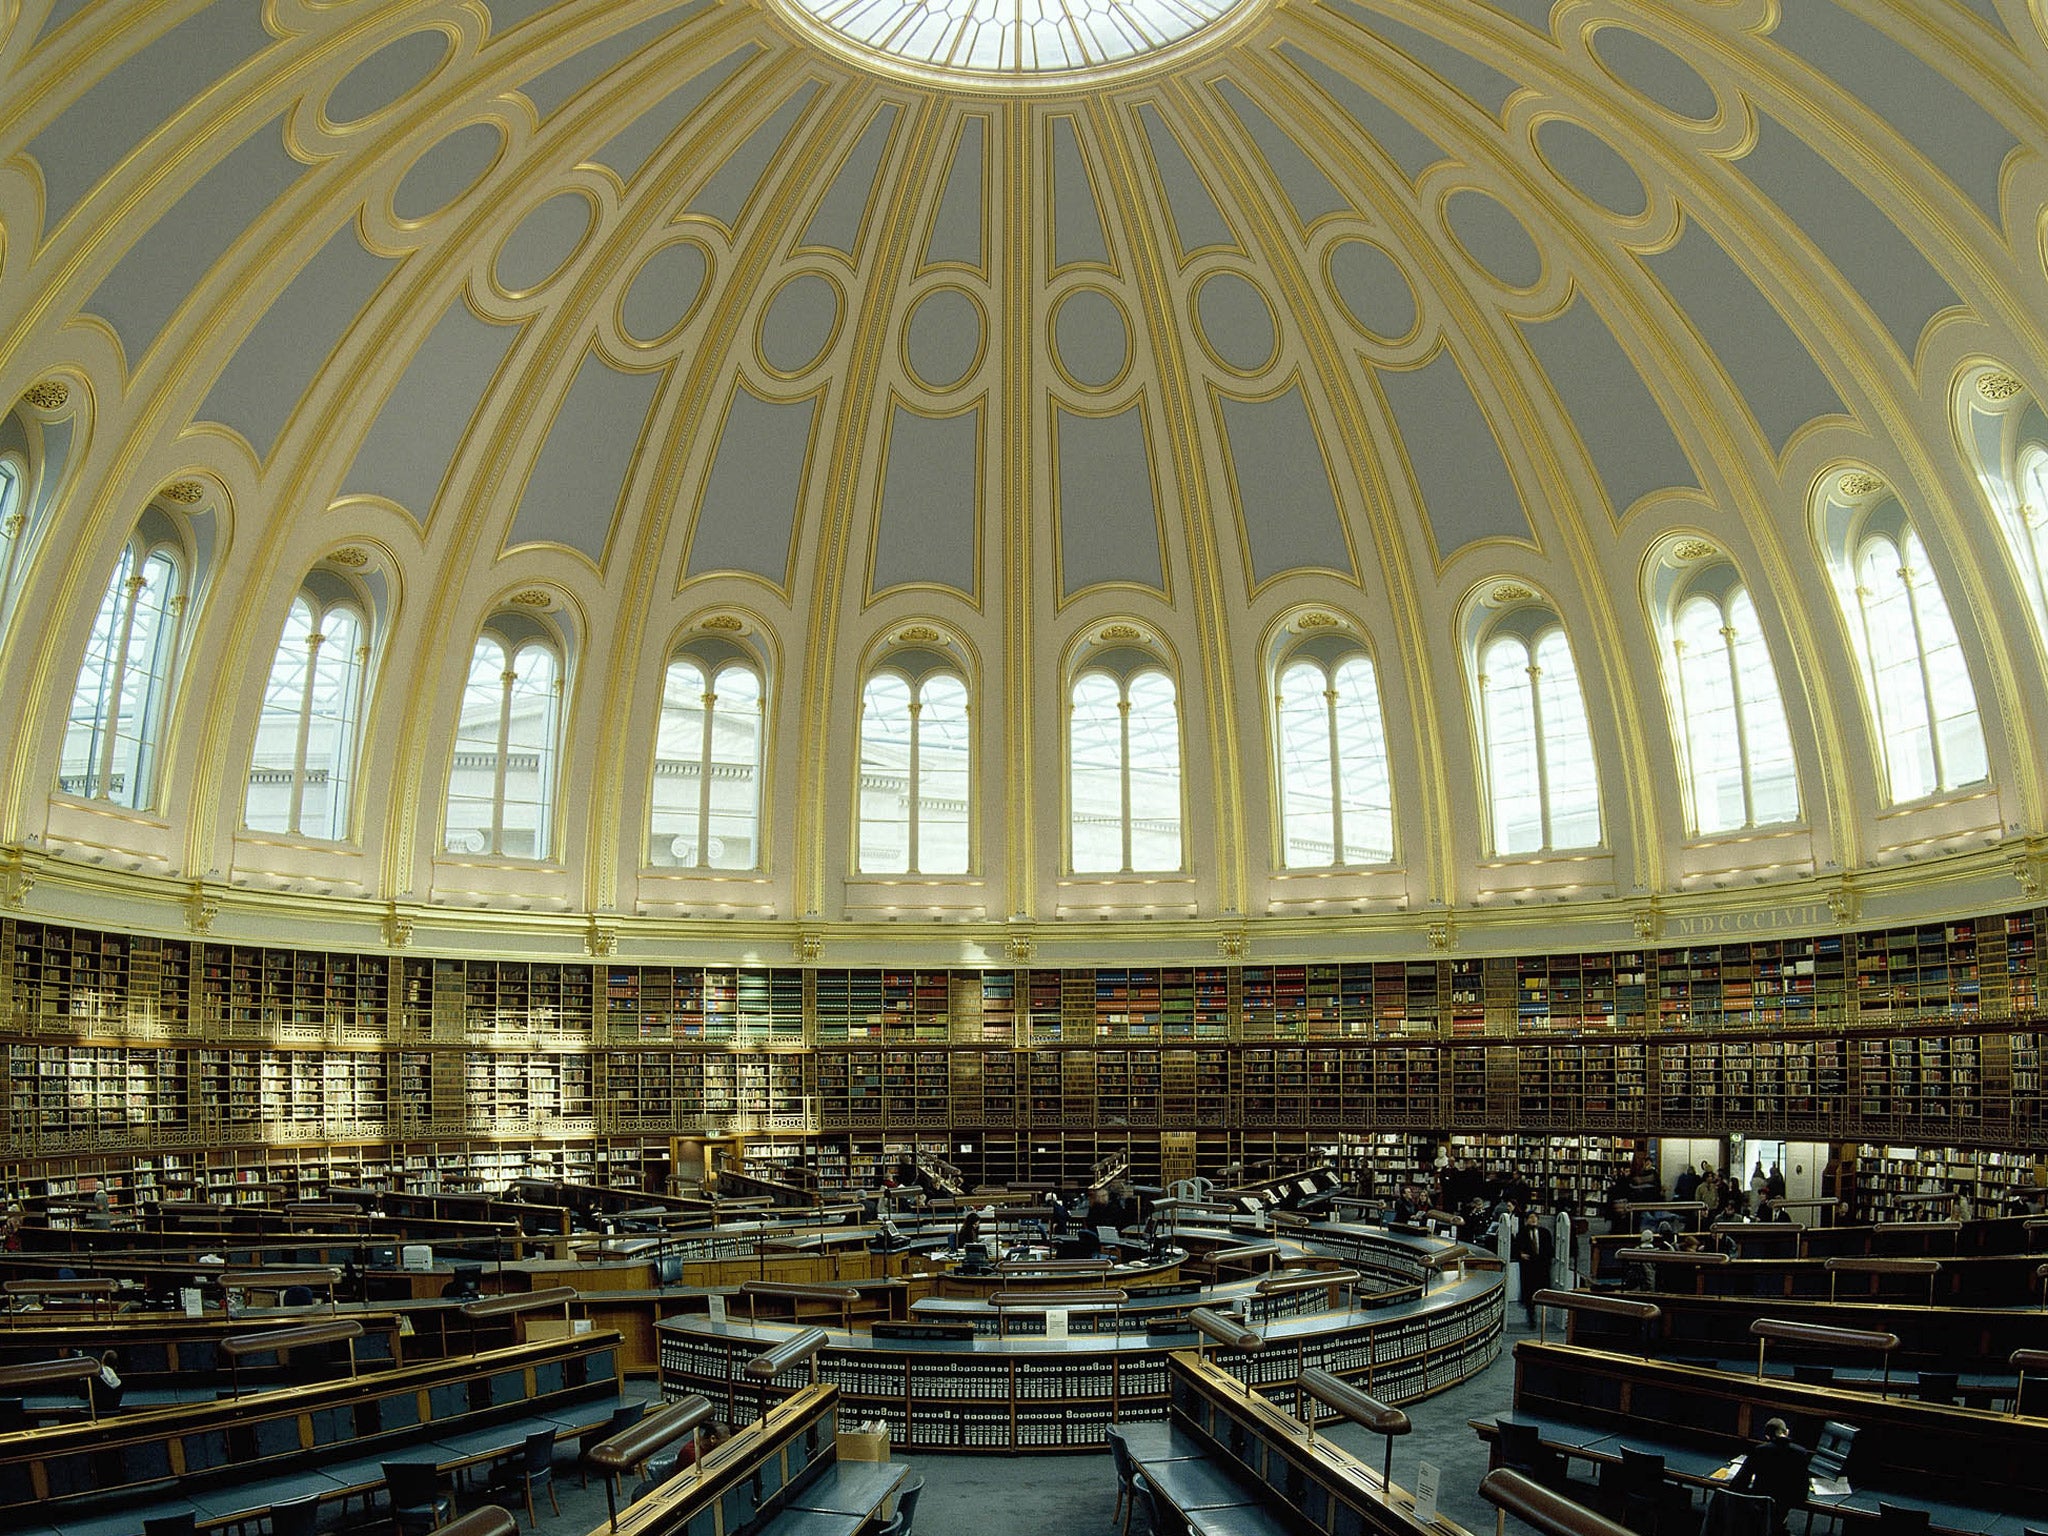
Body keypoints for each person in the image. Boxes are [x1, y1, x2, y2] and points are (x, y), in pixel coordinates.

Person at [1731, 1417, 1811, 1532]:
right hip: (1784, 1505)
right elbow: (1803, 1489)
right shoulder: (1801, 1452)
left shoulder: (1760, 1450)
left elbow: (1740, 1481)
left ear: (1767, 1437)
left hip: (1760, 1505)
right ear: (1787, 1432)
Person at [1512, 1201, 1553, 1328]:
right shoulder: (1522, 1233)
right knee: (1529, 1294)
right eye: (1531, 1218)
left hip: (1542, 1267)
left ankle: (1545, 1319)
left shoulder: (1545, 1233)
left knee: (1542, 1292)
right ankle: (1531, 1319)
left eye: (1535, 1217)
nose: (1533, 1219)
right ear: (1526, 1221)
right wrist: (1521, 1255)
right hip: (1528, 1267)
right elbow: (1515, 1248)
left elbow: (1550, 1249)